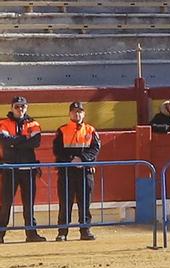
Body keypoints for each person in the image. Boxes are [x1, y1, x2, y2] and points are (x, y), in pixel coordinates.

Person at [0, 95, 46, 243]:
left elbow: (36, 142)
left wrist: (15, 142)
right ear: (11, 108)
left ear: (27, 107)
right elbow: (5, 142)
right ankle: (0, 234)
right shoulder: (4, 123)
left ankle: (31, 234)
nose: (20, 109)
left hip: (27, 168)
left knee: (28, 203)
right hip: (10, 168)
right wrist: (24, 139)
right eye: (17, 106)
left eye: (23, 106)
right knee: (6, 203)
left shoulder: (33, 123)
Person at [53, 101, 100, 241]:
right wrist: (71, 159)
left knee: (85, 201)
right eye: (74, 111)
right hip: (67, 171)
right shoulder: (62, 130)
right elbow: (57, 150)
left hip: (84, 171)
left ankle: (85, 230)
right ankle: (62, 231)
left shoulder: (90, 130)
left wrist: (82, 159)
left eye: (79, 111)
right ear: (69, 113)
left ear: (83, 114)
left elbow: (95, 148)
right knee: (65, 202)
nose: (77, 114)